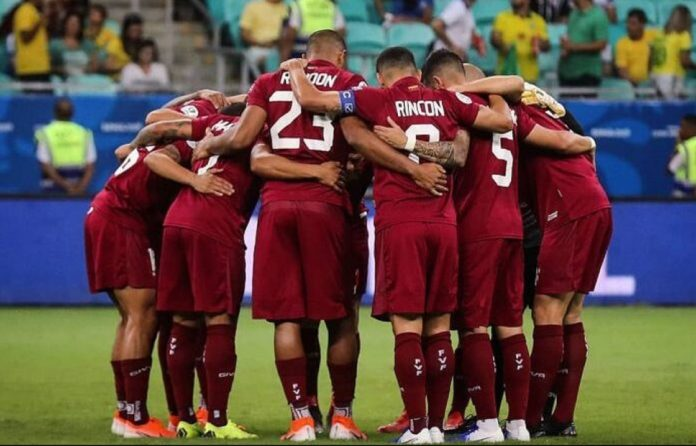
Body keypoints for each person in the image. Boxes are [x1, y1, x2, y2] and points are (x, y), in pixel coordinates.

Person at [281, 45, 517, 444]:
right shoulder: (446, 99)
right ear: (418, 74)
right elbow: (499, 122)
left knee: (407, 329)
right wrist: (477, 90)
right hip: (445, 225)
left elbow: (309, 99)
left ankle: (419, 428)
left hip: (401, 224)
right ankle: (438, 429)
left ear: (380, 75)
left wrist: (295, 69)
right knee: (440, 327)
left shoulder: (377, 98)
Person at [84, 89, 225, 439]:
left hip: (110, 213)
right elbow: (155, 158)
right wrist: (196, 179)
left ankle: (126, 411)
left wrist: (195, 93)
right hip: (123, 219)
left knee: (134, 318)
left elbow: (152, 121)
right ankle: (135, 417)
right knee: (142, 315)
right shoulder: (195, 138)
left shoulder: (200, 106)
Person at [134, 108, 258, 440]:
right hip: (215, 227)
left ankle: (184, 419)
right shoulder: (256, 131)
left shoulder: (208, 129)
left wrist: (193, 178)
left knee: (183, 322)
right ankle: (217, 420)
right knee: (220, 322)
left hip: (176, 223)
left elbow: (154, 157)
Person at [519, 83, 612, 439]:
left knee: (547, 309)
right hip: (593, 205)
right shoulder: (550, 113)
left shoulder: (515, 115)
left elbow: (569, 143)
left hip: (569, 212)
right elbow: (576, 140)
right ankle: (562, 417)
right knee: (570, 312)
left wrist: (587, 144)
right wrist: (588, 144)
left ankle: (528, 420)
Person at [35, 97, 96, 195]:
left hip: (58, 181)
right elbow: (91, 164)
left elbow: (44, 164)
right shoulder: (83, 132)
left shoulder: (45, 132)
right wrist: (80, 187)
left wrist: (68, 186)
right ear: (72, 113)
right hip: (68, 182)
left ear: (55, 112)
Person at [491, 0, 550, 83]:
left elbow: (547, 45)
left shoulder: (538, 20)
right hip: (505, 76)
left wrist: (538, 43)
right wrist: (502, 45)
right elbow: (494, 39)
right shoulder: (502, 17)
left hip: (529, 78)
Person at [559, 0, 609, 92]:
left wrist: (574, 47)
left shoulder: (598, 16)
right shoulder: (573, 13)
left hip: (587, 74)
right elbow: (571, 37)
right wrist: (565, 47)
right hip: (567, 73)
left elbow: (601, 44)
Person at [651, 5, 695, 99]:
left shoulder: (659, 33)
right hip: (671, 76)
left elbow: (651, 55)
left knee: (660, 107)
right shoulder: (683, 35)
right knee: (672, 108)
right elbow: (684, 61)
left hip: (655, 74)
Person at [279, 0, 345, 61]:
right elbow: (341, 31)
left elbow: (291, 33)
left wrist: (283, 61)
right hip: (328, 50)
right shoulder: (332, 5)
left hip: (303, 49)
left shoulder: (298, 4)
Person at [240, 0, 289, 73]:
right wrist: (261, 44)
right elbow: (245, 33)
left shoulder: (286, 7)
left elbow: (287, 30)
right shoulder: (253, 6)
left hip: (278, 47)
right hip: (257, 47)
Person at [13, 0, 51, 87]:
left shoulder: (34, 11)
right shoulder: (25, 10)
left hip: (40, 67)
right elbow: (24, 37)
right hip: (31, 68)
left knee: (45, 99)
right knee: (36, 99)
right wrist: (39, 23)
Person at [615, 8, 657, 86]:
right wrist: (634, 82)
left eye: (633, 24)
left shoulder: (654, 36)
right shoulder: (622, 42)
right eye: (628, 23)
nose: (629, 27)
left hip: (654, 82)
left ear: (642, 25)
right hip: (633, 85)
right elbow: (622, 69)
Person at [50, 11, 99, 77]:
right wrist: (63, 70)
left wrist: (87, 70)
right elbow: (49, 66)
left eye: (76, 24)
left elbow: (95, 65)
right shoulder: (55, 45)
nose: (73, 26)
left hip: (85, 79)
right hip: (63, 80)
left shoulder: (87, 44)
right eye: (71, 23)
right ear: (65, 24)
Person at [668, 115, 696, 198]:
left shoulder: (684, 147)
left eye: (682, 127)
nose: (679, 130)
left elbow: (670, 169)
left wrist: (677, 145)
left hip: (685, 193)